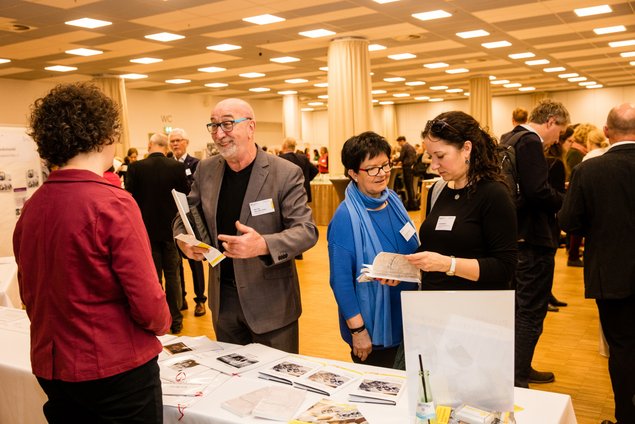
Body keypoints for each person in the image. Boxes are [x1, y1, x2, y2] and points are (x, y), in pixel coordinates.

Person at [13, 82, 171, 423]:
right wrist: (162, 322)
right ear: (105, 136)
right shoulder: (112, 203)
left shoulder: (34, 206)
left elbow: (30, 290)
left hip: (53, 365)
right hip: (113, 368)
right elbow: (148, 301)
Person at [173, 98, 318, 353]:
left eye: (227, 124)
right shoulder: (206, 170)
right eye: (214, 126)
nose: (220, 134)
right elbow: (185, 215)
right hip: (223, 302)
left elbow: (306, 231)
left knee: (278, 386)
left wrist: (263, 245)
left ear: (251, 127)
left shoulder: (284, 172)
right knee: (232, 381)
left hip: (271, 303)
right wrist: (183, 239)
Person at [558, 103, 635, 424]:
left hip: (612, 273)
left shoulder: (589, 171)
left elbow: (570, 223)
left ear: (606, 132)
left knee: (622, 348)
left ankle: (626, 417)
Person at [327, 131, 420, 368]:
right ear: (353, 173)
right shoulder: (345, 217)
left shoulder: (394, 201)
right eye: (372, 168)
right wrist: (358, 331)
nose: (382, 174)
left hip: (408, 318)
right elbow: (341, 281)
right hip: (375, 329)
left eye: (385, 165)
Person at [406, 112, 517, 291]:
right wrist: (402, 270)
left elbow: (504, 268)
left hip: (473, 309)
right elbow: (432, 247)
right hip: (431, 305)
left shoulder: (494, 194)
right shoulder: (437, 190)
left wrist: (449, 265)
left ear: (466, 148)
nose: (433, 165)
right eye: (430, 156)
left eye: (440, 156)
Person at [502, 99, 570, 388]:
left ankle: (518, 367)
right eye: (561, 131)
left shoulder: (510, 137)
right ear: (551, 121)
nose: (559, 138)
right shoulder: (530, 141)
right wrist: (566, 202)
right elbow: (537, 192)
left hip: (515, 236)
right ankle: (518, 377)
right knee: (531, 310)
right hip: (532, 238)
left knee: (517, 309)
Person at [127, 132, 189, 334]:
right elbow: (184, 200)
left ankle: (157, 319)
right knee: (173, 276)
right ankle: (176, 320)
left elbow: (130, 200)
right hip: (172, 230)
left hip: (146, 232)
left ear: (149, 145)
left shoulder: (136, 168)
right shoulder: (177, 168)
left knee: (153, 278)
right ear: (166, 147)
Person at [169, 128, 207, 317]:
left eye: (178, 140)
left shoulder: (196, 164)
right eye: (172, 141)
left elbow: (196, 189)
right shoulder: (168, 165)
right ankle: (181, 297)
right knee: (176, 263)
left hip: (191, 219)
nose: (175, 144)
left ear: (186, 142)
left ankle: (200, 300)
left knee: (195, 261)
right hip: (174, 219)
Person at [544, 130, 569, 312]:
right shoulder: (557, 164)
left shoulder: (545, 163)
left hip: (544, 218)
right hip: (550, 219)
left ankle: (548, 295)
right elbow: (556, 193)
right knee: (548, 261)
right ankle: (546, 296)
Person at [279, 137, 319, 203]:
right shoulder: (303, 158)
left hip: (286, 194)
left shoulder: (279, 159)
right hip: (302, 192)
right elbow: (315, 170)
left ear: (284, 146)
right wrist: (306, 179)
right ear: (294, 147)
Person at [395, 135, 419, 211]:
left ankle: (411, 205)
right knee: (411, 187)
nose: (399, 144)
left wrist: (393, 160)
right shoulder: (411, 147)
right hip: (411, 168)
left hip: (407, 168)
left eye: (399, 142)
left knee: (408, 187)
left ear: (402, 141)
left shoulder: (405, 147)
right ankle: (414, 204)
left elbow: (401, 157)